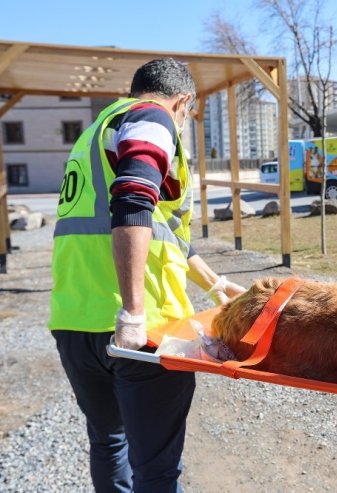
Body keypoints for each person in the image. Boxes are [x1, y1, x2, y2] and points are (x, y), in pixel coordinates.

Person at [48, 58, 246, 492]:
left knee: (108, 443)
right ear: (184, 102)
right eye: (188, 115)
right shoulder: (155, 119)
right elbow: (134, 203)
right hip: (143, 332)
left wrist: (214, 282)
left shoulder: (96, 132)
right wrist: (133, 314)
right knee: (156, 470)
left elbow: (166, 231)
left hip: (74, 322)